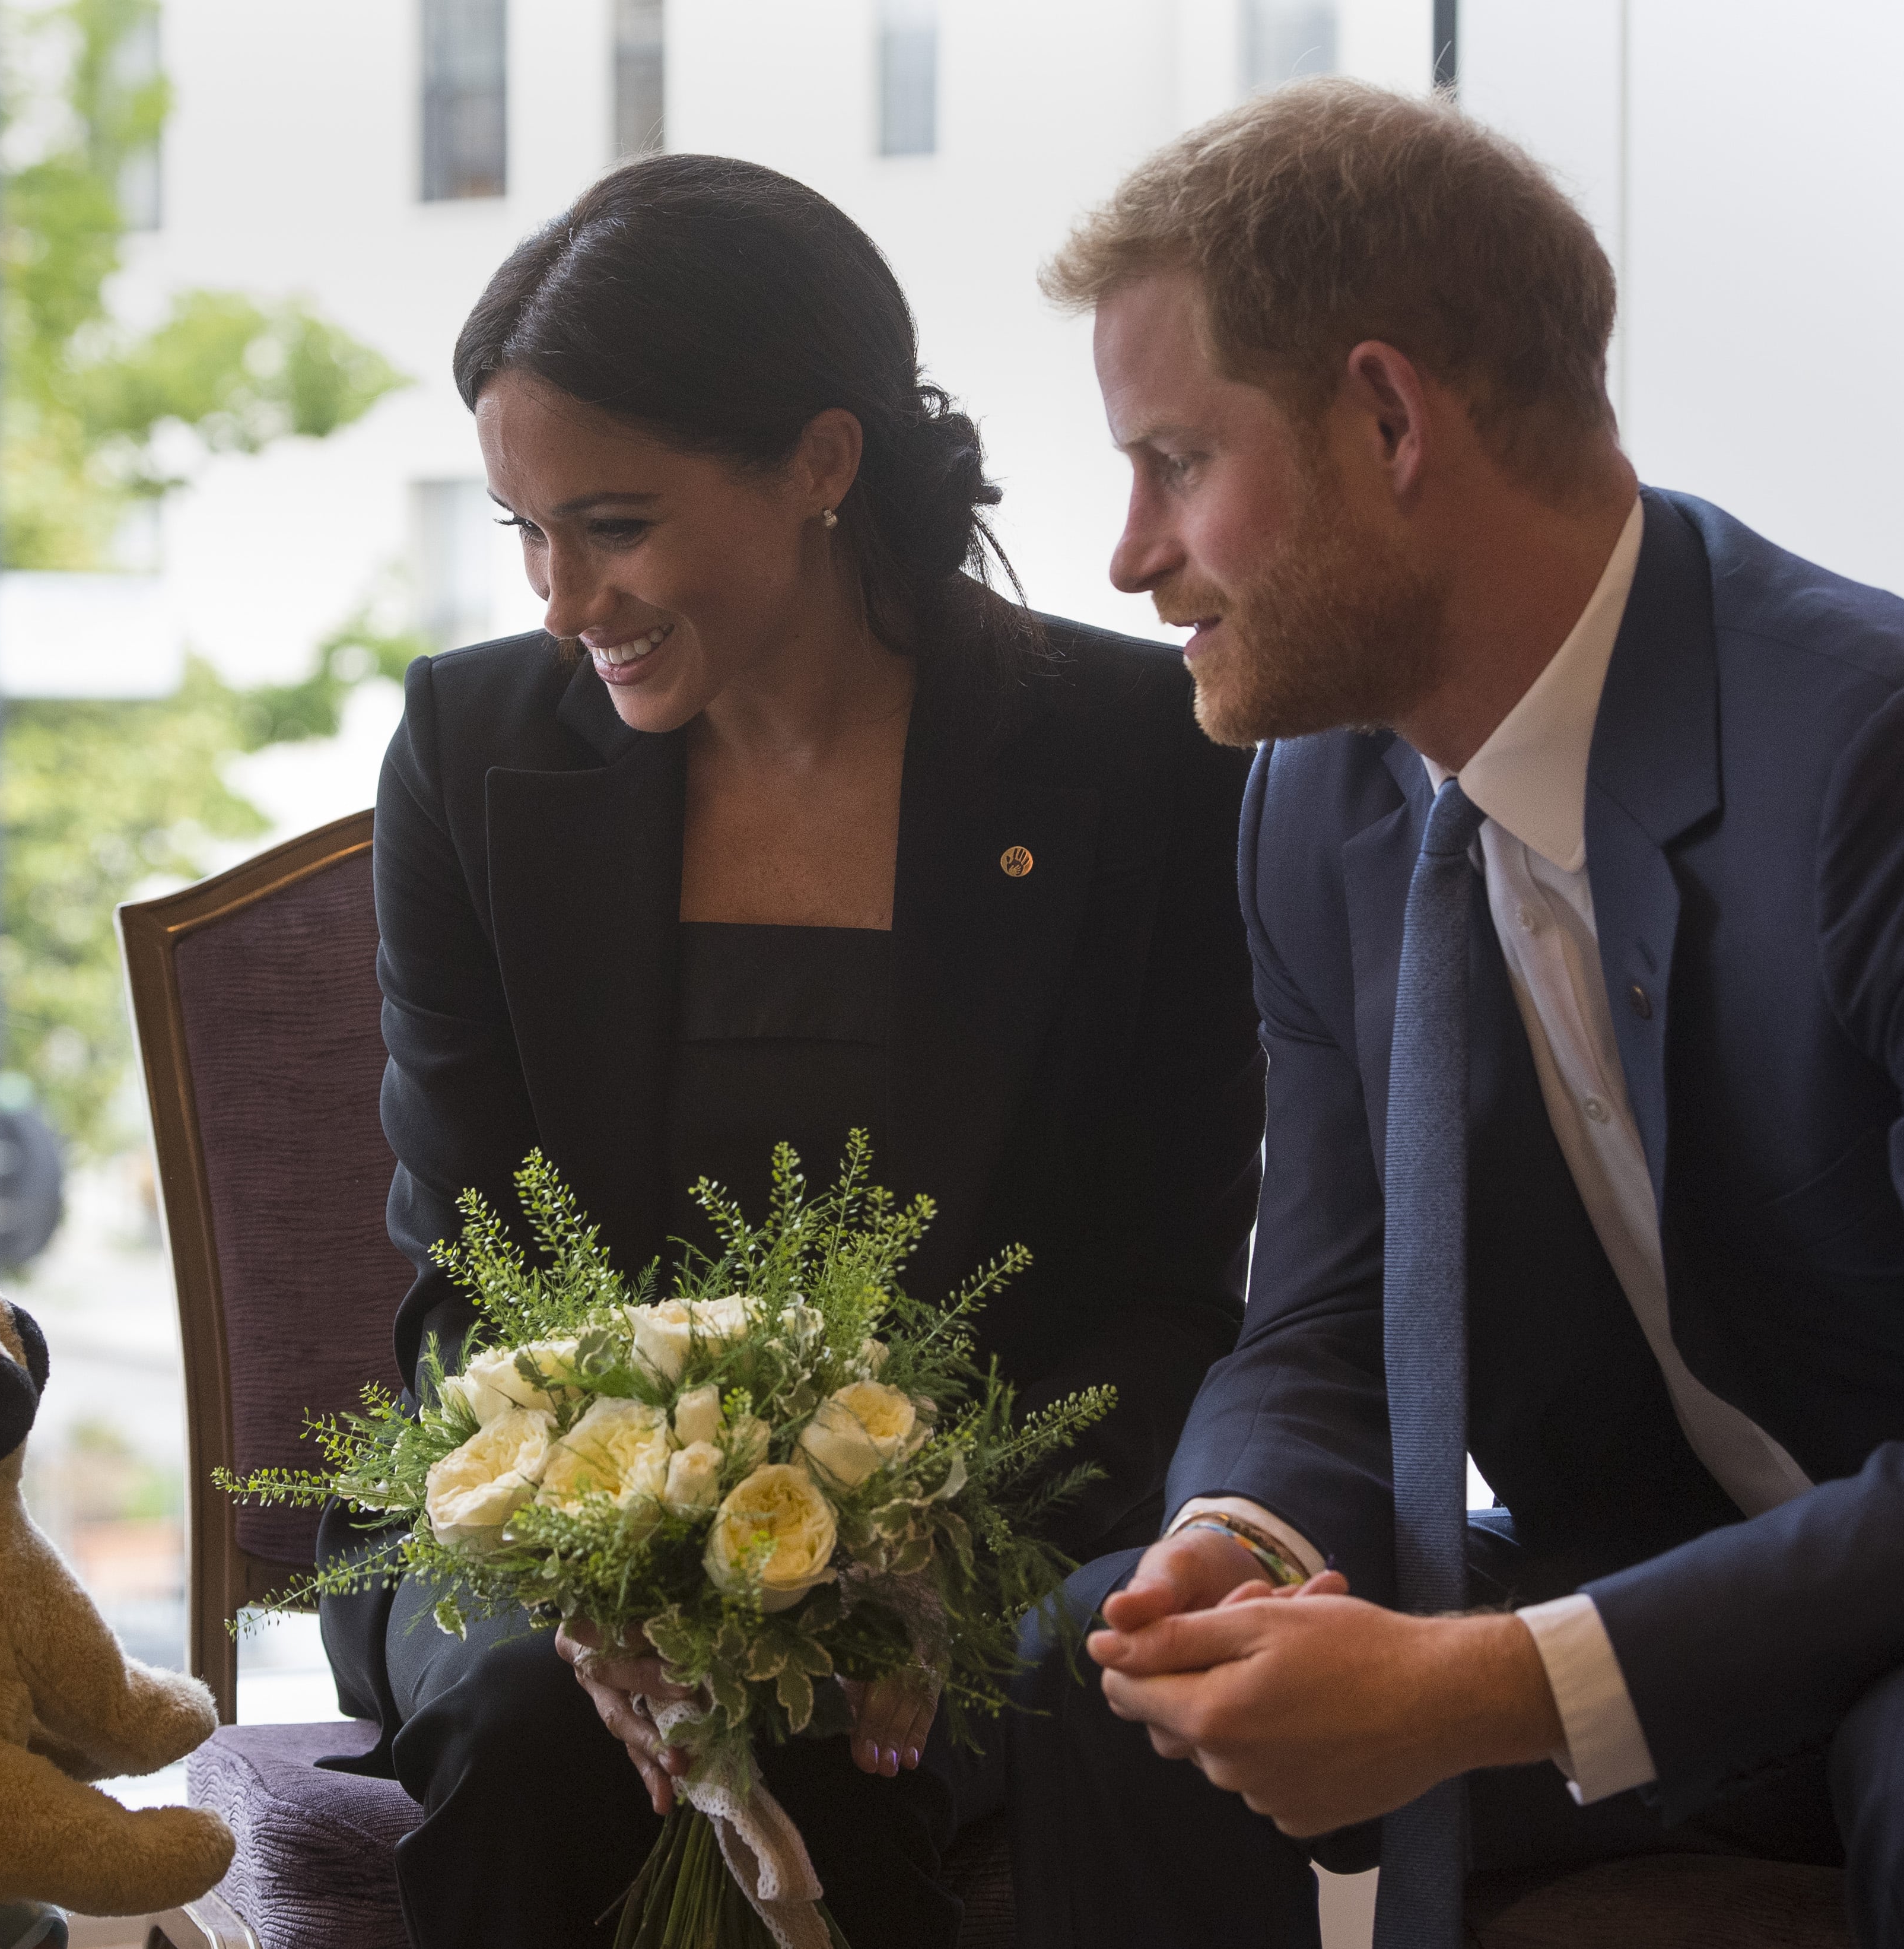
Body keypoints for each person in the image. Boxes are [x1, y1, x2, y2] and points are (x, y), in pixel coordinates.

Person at [316, 152, 1300, 1949]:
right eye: (521, 531)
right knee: (540, 1727)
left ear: (819, 467)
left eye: (611, 525)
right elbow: (470, 1260)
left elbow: (1161, 1294)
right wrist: (599, 1565)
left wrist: (902, 1547)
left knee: (842, 1741)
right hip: (532, 1523)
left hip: (981, 1521)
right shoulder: (470, 750)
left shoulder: (1142, 760)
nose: (558, 599)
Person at [1045, 80, 1904, 1949]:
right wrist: (1242, 1542)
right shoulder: (1313, 802)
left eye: (1170, 459)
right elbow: (1318, 1309)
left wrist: (1485, 1683)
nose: (1127, 554)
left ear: (1386, 416)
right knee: (1092, 1679)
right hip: (1657, 1561)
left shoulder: (1899, 759)